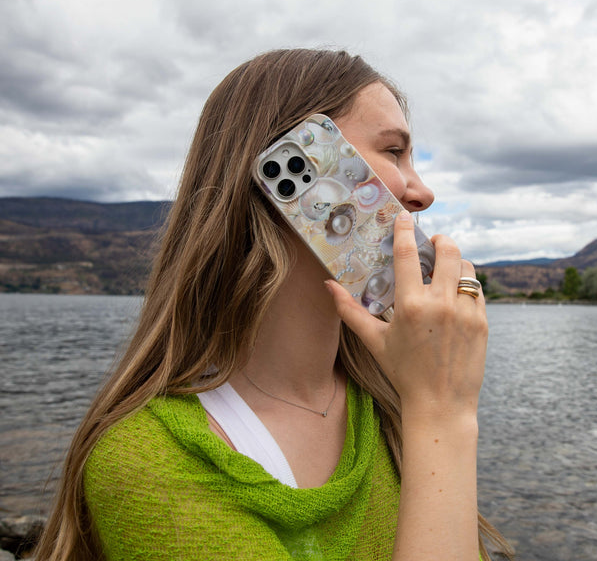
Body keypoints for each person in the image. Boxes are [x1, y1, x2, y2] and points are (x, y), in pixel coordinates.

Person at [35, 48, 513, 560]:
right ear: (299, 169)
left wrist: (431, 406)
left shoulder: (393, 405)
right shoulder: (147, 456)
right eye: (394, 152)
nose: (423, 193)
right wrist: (443, 411)